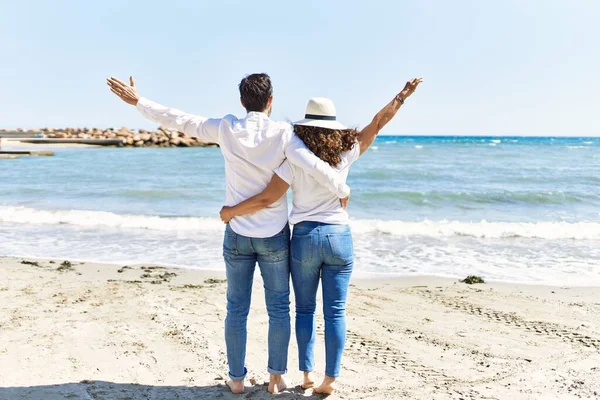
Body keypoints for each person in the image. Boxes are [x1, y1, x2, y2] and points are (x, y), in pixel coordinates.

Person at [106, 73, 351, 394]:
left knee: (237, 308)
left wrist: (139, 102)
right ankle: (276, 377)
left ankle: (236, 379)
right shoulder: (283, 133)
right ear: (271, 101)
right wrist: (340, 185)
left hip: (237, 232)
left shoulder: (225, 128)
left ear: (241, 101)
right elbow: (309, 161)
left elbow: (179, 119)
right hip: (274, 234)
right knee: (279, 307)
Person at [220, 77, 423, 395]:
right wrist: (401, 96)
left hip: (304, 238)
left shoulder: (293, 160)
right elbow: (377, 123)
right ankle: (331, 378)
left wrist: (231, 211)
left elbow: (268, 197)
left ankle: (306, 376)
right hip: (339, 237)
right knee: (336, 311)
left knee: (303, 310)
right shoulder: (348, 152)